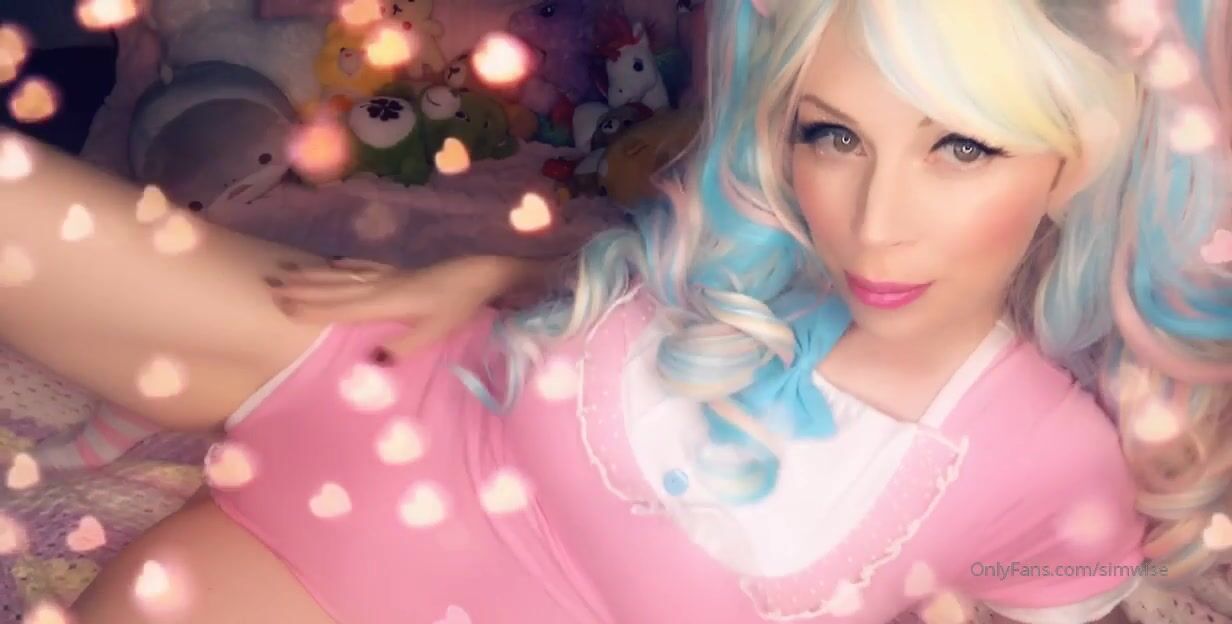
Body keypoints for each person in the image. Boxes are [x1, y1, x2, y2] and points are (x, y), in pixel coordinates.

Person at [1, 0, 1229, 622]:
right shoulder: (752, 253)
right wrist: (484, 274)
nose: (875, 220)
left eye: (961, 148)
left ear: (1069, 163)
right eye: (832, 136)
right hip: (386, 378)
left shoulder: (1057, 464)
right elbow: (627, 277)